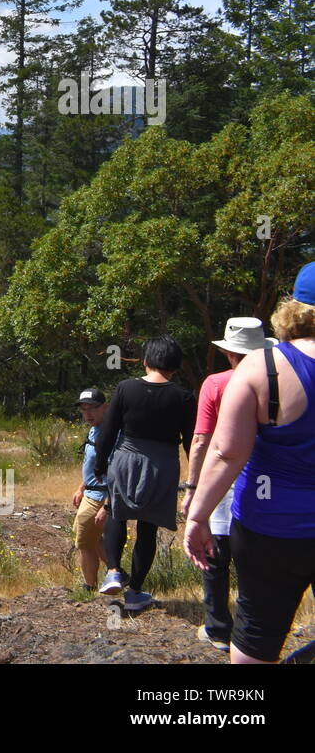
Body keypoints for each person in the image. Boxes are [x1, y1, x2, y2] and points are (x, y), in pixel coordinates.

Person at [186, 262, 315, 663]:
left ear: (293, 308)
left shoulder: (263, 367)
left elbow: (226, 452)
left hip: (270, 529)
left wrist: (198, 515)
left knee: (256, 635)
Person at [182, 317, 276, 651]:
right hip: (264, 478)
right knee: (256, 558)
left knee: (214, 554)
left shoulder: (216, 383)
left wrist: (192, 487)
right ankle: (258, 633)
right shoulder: (276, 381)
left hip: (222, 475)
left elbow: (201, 439)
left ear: (229, 353)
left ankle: (219, 628)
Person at [94, 335, 196, 611]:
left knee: (117, 512)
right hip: (161, 465)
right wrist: (196, 480)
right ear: (175, 365)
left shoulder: (126, 388)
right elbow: (191, 441)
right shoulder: (184, 397)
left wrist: (100, 465)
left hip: (126, 459)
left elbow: (108, 431)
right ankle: (136, 590)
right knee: (147, 528)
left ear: (146, 361)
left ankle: (114, 570)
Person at [71, 387, 110, 590]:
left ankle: (90, 587)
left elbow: (116, 473)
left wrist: (107, 505)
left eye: (93, 408)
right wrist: (81, 487)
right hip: (90, 491)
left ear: (105, 407)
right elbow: (94, 465)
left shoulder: (110, 433)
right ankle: (116, 573)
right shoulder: (94, 429)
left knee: (84, 543)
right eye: (84, 409)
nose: (88, 413)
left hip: (100, 496)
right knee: (90, 538)